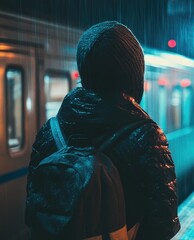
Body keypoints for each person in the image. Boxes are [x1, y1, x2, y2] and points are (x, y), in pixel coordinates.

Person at [26, 21, 180, 239]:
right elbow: (164, 225)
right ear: (133, 75)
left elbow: (33, 212)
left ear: (85, 70)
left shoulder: (50, 132)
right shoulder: (147, 137)